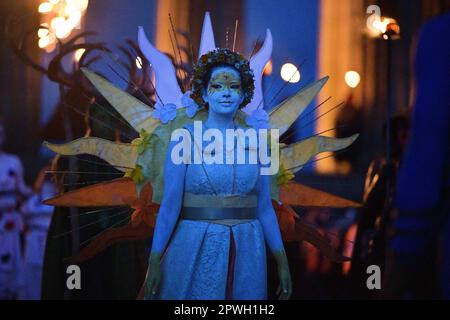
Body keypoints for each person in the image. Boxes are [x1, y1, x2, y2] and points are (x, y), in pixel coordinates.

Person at [144, 49, 292, 300]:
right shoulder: (184, 139)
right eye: (217, 86)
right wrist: (154, 260)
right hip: (193, 245)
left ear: (244, 94)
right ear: (203, 93)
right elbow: (170, 206)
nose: (226, 92)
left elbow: (265, 208)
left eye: (234, 86)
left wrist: (282, 261)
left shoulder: (259, 143)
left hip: (248, 247)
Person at [0, 117, 31, 299]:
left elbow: (22, 189)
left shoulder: (13, 161)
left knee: (9, 262)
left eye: (1, 133)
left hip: (9, 221)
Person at [19, 166, 56, 300]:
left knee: (50, 270)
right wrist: (41, 176)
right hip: (34, 238)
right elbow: (25, 212)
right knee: (32, 271)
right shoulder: (33, 200)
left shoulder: (59, 198)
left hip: (51, 238)